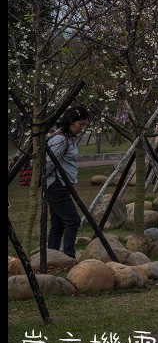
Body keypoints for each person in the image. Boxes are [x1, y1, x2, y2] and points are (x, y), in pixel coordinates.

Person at [45, 104, 90, 258]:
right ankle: (69, 255)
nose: (81, 128)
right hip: (56, 185)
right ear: (71, 121)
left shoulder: (68, 138)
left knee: (58, 224)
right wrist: (47, 183)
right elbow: (48, 164)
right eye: (80, 124)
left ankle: (51, 257)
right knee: (73, 220)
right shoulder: (59, 139)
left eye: (84, 124)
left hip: (62, 185)